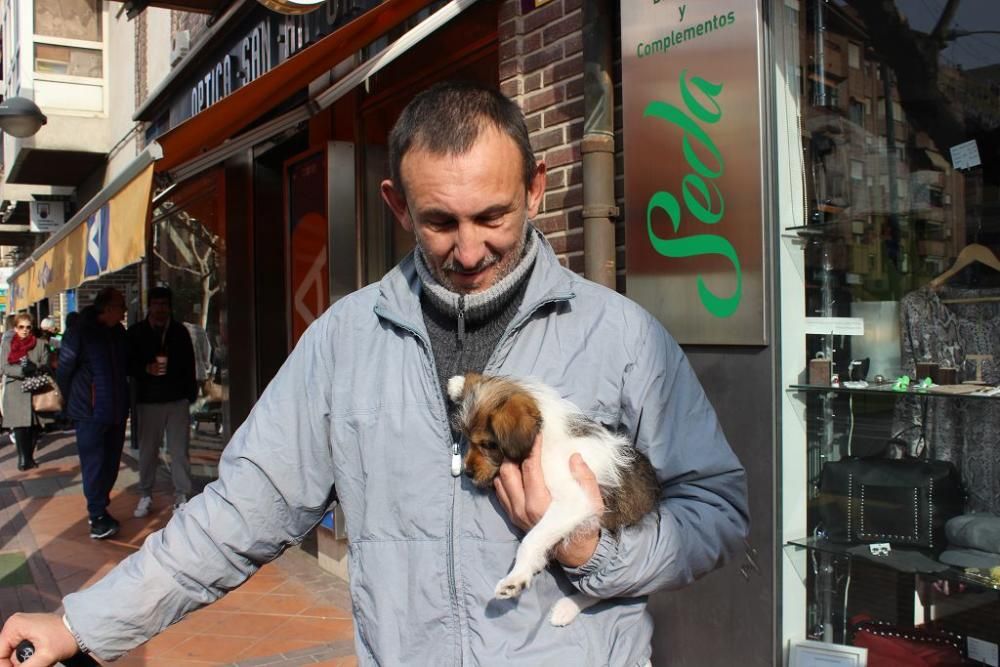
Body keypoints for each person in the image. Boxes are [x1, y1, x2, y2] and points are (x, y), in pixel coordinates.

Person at [0, 82, 749, 666]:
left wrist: (594, 551)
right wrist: (80, 621)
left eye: (493, 215)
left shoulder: (621, 336)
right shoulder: (343, 343)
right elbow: (235, 517)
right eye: (440, 221)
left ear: (537, 188)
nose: (469, 249)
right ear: (395, 204)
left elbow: (717, 506)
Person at [54, 289, 129, 540]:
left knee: (110, 464)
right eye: (121, 305)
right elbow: (64, 370)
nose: (125, 310)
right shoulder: (80, 331)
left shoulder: (119, 333)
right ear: (107, 308)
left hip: (116, 411)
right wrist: (67, 399)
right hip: (90, 411)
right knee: (94, 464)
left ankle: (101, 508)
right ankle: (96, 516)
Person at [127, 286, 198, 517]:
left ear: (170, 307)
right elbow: (127, 363)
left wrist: (191, 394)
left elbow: (190, 364)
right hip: (148, 401)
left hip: (177, 400)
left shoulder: (179, 332)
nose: (160, 309)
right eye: (156, 305)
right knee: (148, 451)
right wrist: (145, 368)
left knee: (179, 451)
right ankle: (146, 494)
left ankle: (182, 495)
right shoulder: (137, 332)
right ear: (150, 307)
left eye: (164, 305)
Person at [0, 313, 50, 470]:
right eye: (21, 327)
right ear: (15, 328)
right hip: (15, 388)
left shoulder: (41, 344)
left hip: (36, 388)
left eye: (28, 327)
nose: (25, 330)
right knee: (19, 425)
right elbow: (4, 367)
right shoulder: (8, 344)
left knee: (35, 425)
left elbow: (46, 363)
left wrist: (36, 368)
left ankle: (29, 457)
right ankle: (23, 459)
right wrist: (22, 370)